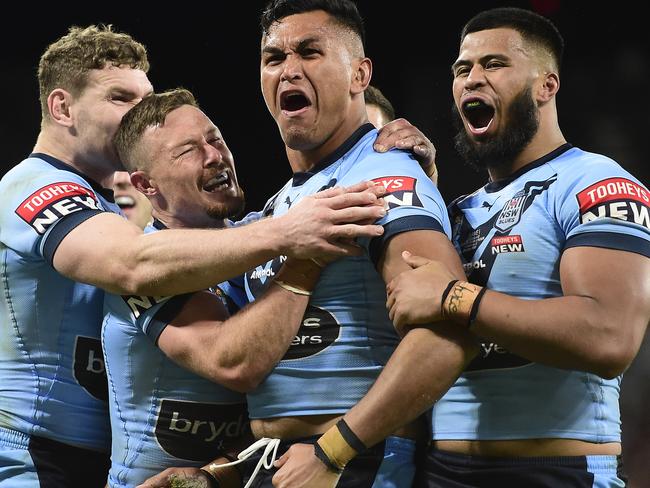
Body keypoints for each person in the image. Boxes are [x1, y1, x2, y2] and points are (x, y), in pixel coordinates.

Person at [0, 24, 392, 487]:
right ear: (62, 107)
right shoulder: (35, 186)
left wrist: (385, 141)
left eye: (145, 98)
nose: (138, 113)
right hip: (33, 452)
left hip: (108, 456)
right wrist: (290, 236)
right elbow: (134, 265)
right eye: (121, 98)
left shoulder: (107, 205)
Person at [202, 1, 477, 487]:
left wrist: (335, 449)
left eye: (310, 52)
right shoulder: (282, 204)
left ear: (359, 75)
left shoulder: (382, 179)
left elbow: (448, 334)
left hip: (356, 465)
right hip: (273, 461)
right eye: (273, 58)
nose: (289, 69)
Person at [385, 7, 650, 487]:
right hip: (442, 469)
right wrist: (416, 191)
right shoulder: (458, 207)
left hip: (554, 470)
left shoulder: (597, 181)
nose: (472, 79)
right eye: (462, 69)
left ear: (546, 86)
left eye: (494, 64)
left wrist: (453, 297)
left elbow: (610, 337)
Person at [103, 88, 348, 488]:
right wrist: (308, 258)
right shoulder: (141, 265)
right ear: (146, 184)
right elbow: (236, 364)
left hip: (231, 475)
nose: (215, 156)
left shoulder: (264, 232)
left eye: (214, 139)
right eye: (187, 151)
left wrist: (403, 149)